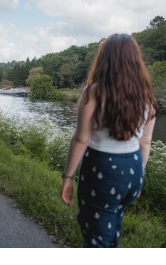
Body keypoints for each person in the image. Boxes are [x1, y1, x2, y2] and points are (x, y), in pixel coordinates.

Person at [60, 33, 157, 248]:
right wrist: (139, 175)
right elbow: (145, 142)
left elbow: (80, 140)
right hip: (132, 170)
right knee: (112, 228)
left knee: (96, 238)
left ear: (104, 59)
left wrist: (67, 177)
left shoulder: (94, 91)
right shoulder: (147, 97)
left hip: (102, 171)